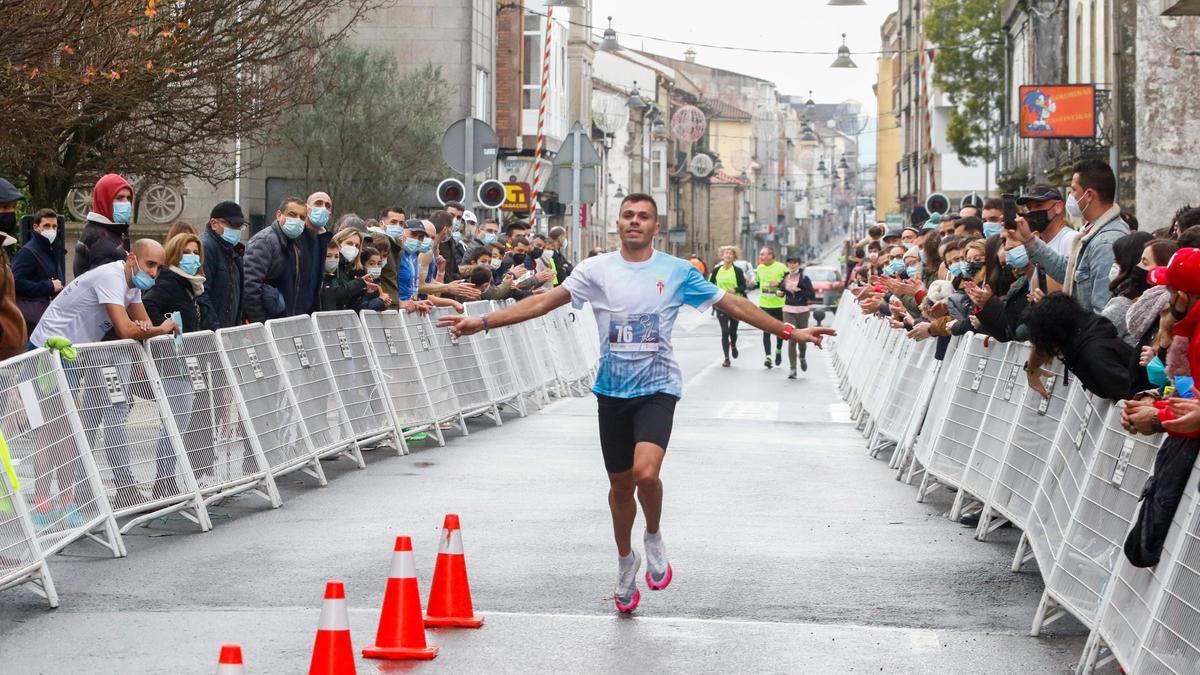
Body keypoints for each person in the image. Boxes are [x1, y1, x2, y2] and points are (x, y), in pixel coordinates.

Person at [436, 192, 834, 614]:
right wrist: (482, 321)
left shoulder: (677, 271)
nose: (634, 222)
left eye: (643, 216)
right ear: (618, 223)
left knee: (647, 474)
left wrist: (788, 331)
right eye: (627, 215)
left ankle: (654, 535)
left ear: (654, 227)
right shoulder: (596, 270)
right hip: (612, 392)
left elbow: (731, 303)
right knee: (620, 486)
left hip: (658, 387)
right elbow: (541, 302)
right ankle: (626, 559)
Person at [1015, 160, 1129, 314]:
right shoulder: (1090, 232)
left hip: (1091, 336)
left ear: (1088, 195)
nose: (1070, 196)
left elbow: (1103, 313)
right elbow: (1067, 271)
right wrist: (1029, 240)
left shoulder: (1106, 242)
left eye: (1074, 190)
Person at [141, 233, 207, 497]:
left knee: (179, 424)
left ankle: (167, 480)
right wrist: (163, 330)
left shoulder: (189, 285)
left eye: (195, 252)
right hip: (173, 364)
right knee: (174, 424)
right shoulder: (169, 283)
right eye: (186, 252)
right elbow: (147, 304)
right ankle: (164, 481)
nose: (191, 258)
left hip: (186, 362)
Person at [242, 197, 306, 323]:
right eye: (292, 215)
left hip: (284, 320)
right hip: (269, 323)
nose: (297, 220)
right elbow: (250, 286)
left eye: (302, 217)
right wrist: (262, 323)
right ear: (278, 215)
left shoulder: (294, 244)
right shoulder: (263, 242)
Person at [12, 208, 65, 333]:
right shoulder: (28, 252)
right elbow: (16, 281)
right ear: (36, 227)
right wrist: (49, 286)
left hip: (46, 315)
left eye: (54, 226)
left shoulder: (52, 249)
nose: (51, 230)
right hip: (33, 319)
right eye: (46, 226)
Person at [75, 173, 134, 278]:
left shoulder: (112, 230)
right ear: (104, 199)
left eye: (128, 198)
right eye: (119, 198)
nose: (126, 202)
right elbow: (105, 285)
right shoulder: (99, 237)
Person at [197, 201, 245, 329]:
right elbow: (202, 292)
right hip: (213, 333)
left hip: (228, 330)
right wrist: (215, 328)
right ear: (214, 224)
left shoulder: (233, 251)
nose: (236, 230)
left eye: (239, 226)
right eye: (231, 225)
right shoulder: (207, 248)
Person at [1101, 231, 1154, 345]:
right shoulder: (1151, 295)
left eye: (1117, 260)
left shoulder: (1123, 303)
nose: (1114, 264)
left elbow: (1097, 336)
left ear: (1127, 263)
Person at [295, 191, 334, 316]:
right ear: (307, 208)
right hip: (291, 312)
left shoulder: (324, 239)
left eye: (327, 206)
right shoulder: (295, 236)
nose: (323, 208)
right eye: (318, 203)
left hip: (311, 313)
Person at [709, 246, 747, 367]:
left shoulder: (738, 271)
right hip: (721, 303)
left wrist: (735, 289)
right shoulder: (717, 270)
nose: (728, 255)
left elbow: (744, 287)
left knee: (733, 331)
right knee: (725, 331)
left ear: (734, 257)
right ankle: (726, 358)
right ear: (722, 256)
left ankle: (734, 345)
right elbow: (710, 284)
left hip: (735, 304)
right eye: (726, 253)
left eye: (731, 254)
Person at [780, 255, 816, 377]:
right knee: (791, 338)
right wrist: (779, 293)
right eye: (790, 262)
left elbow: (812, 295)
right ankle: (793, 369)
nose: (792, 265)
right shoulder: (785, 277)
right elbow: (781, 291)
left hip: (802, 311)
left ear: (799, 264)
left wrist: (799, 290)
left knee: (802, 339)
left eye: (794, 262)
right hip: (788, 311)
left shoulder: (805, 278)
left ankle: (802, 356)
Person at [756, 246, 789, 368]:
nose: (761, 257)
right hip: (764, 305)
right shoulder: (759, 268)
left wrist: (779, 284)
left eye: (763, 254)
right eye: (760, 254)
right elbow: (759, 284)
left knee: (780, 331)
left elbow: (790, 282)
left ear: (770, 255)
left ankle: (778, 350)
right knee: (766, 331)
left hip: (779, 305)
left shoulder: (781, 267)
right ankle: (768, 357)